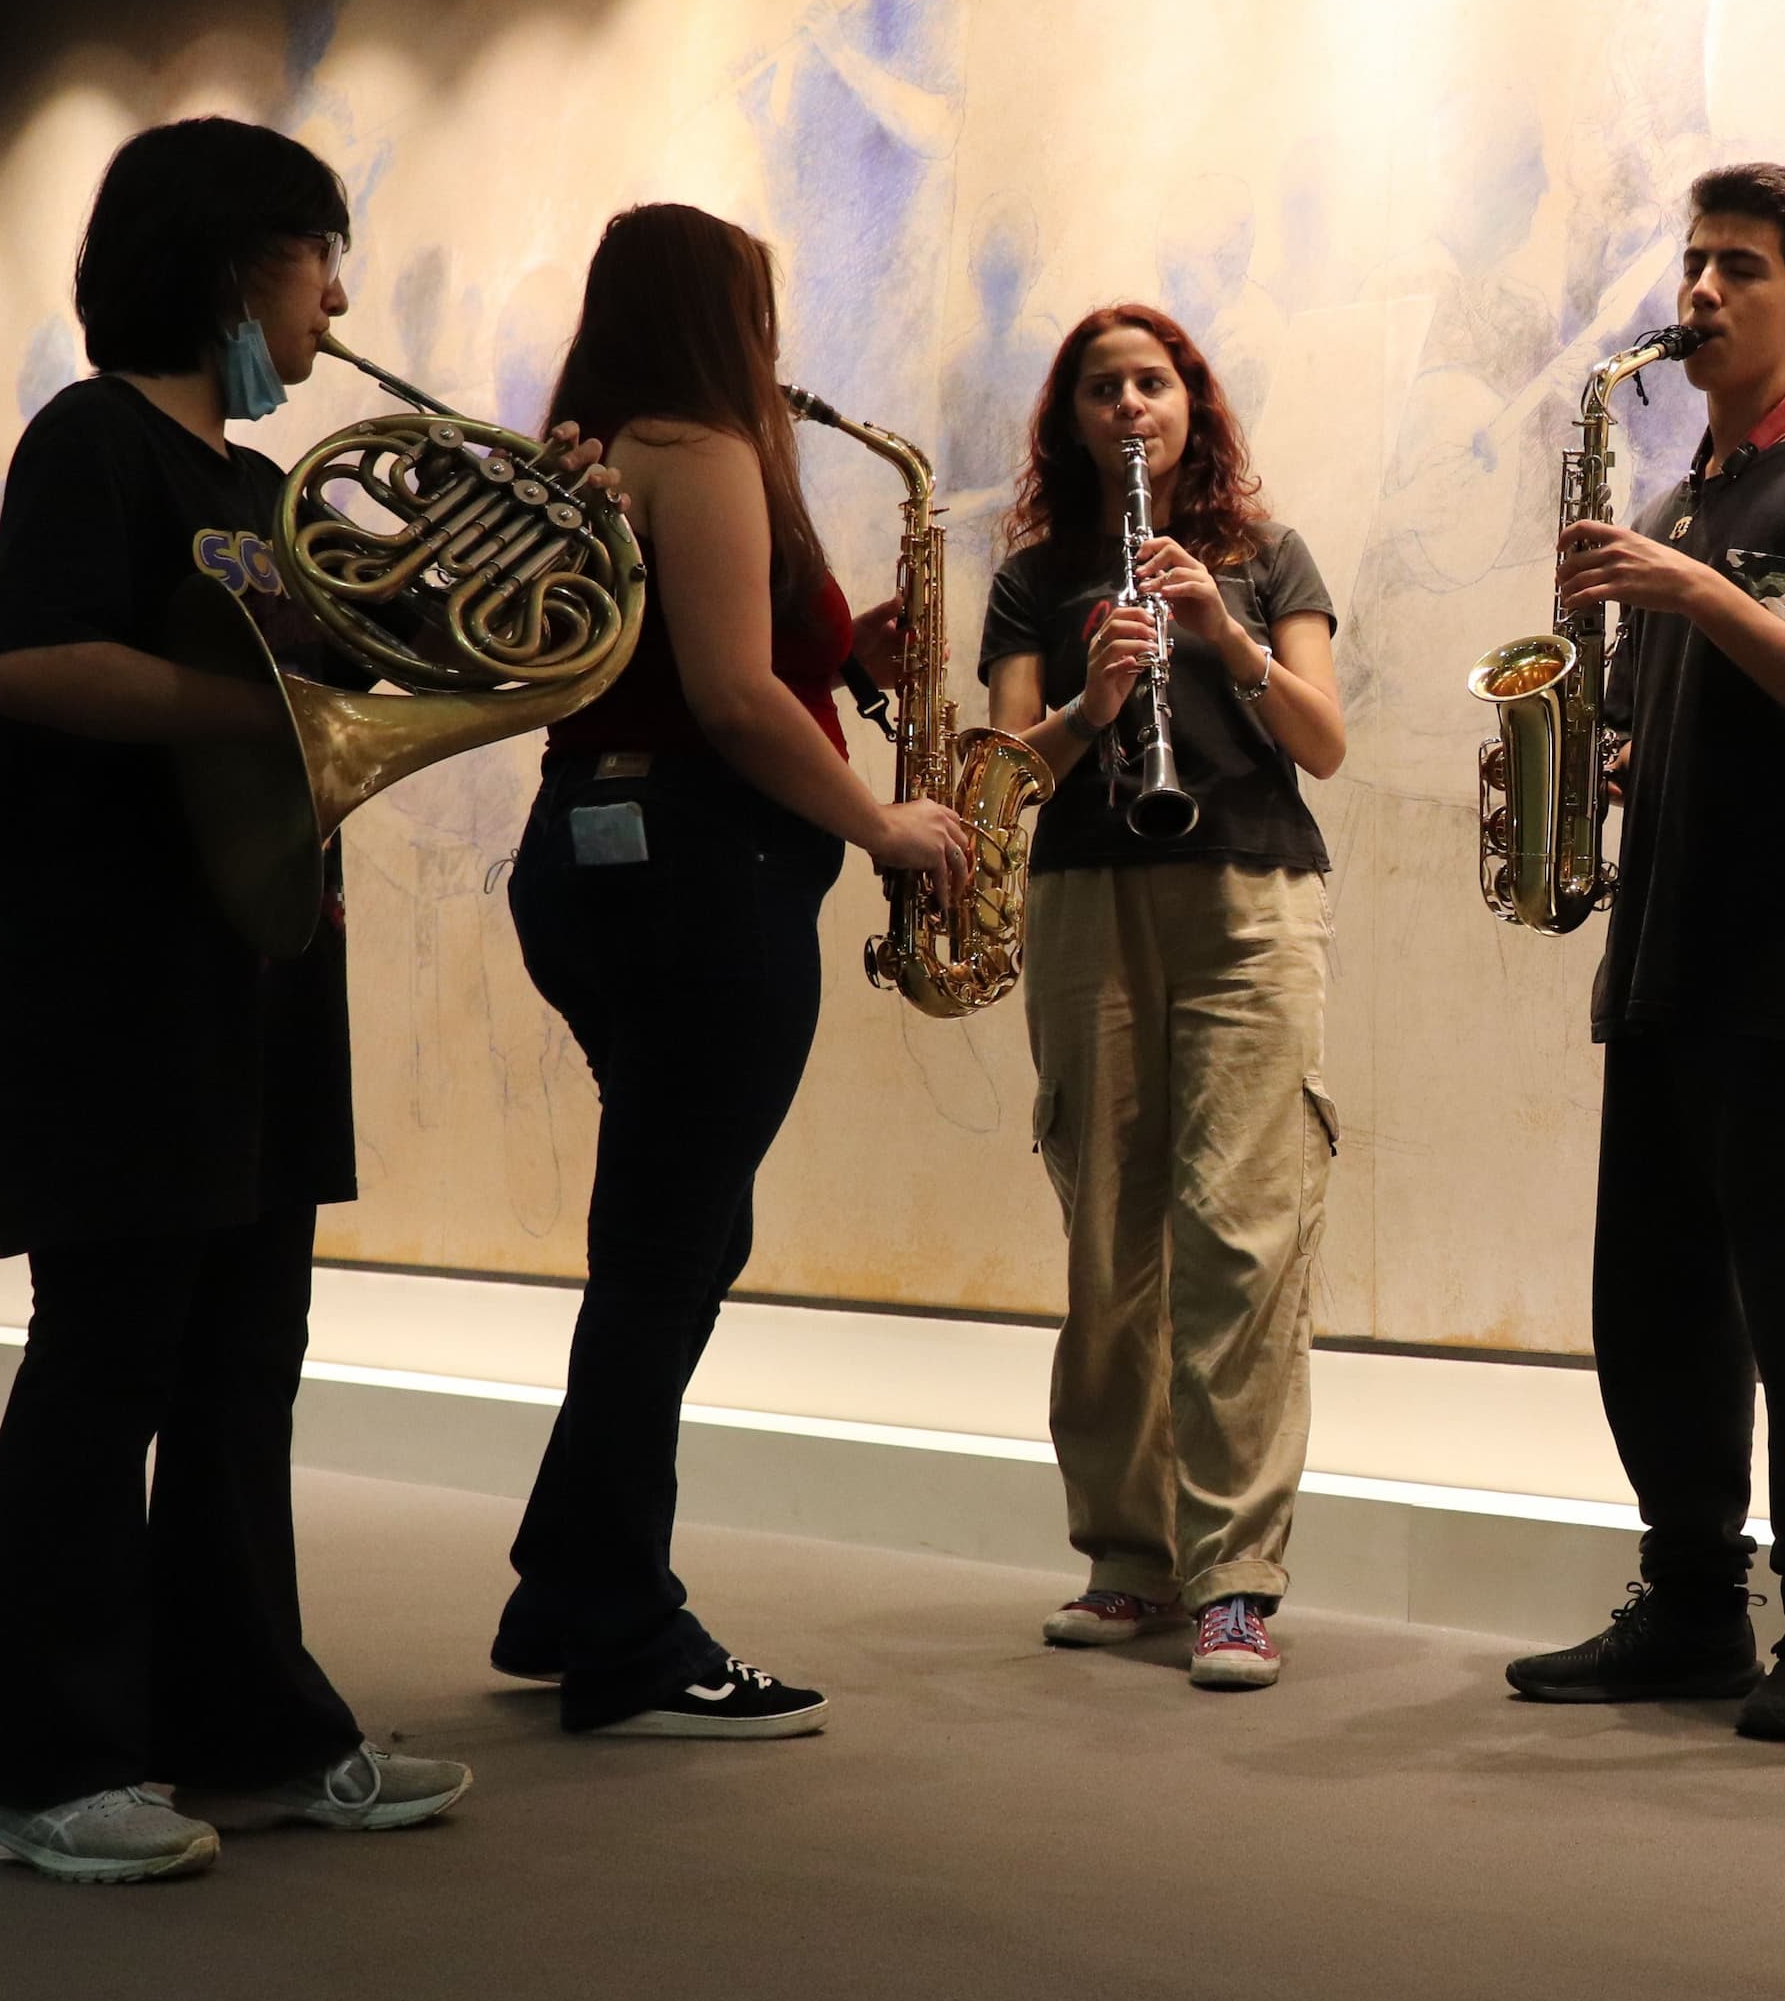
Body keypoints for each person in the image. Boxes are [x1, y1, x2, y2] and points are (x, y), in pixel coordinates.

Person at [0, 117, 483, 1880]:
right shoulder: (91, 446)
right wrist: (270, 713)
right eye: (319, 256)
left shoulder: (261, 498)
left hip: (253, 972)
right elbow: (28, 664)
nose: (339, 297)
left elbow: (367, 684)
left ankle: (251, 1728)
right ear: (233, 266)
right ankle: (38, 1771)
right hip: (109, 979)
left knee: (247, 1369)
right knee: (107, 1370)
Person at [493, 203, 973, 1737]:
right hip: (706, 878)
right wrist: (884, 823)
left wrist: (843, 651)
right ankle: (624, 1623)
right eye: (759, 309)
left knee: (676, 1240)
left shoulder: (601, 453)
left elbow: (678, 659)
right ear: (721, 315)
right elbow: (732, 702)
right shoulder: (696, 451)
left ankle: (567, 1583)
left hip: (597, 859)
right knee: (664, 1254)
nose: (778, 342)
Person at [1504, 164, 1785, 1742]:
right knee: (1660, 1306)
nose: (1695, 293)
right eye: (1691, 264)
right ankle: (1691, 1601)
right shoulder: (1679, 502)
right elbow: (1672, 721)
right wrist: (1595, 759)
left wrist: (1685, 585)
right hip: (1668, 960)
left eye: (1735, 270)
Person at [978, 304, 1349, 1692]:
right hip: (1089, 899)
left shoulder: (1263, 558)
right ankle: (1127, 1562)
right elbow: (1007, 774)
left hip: (1251, 898)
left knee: (1243, 1235)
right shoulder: (1035, 576)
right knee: (1110, 1236)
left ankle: (1235, 1580)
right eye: (1102, 389)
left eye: (1153, 383)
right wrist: (1088, 701)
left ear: (1192, 403)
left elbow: (1322, 738)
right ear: (1071, 420)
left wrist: (1226, 639)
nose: (1130, 406)